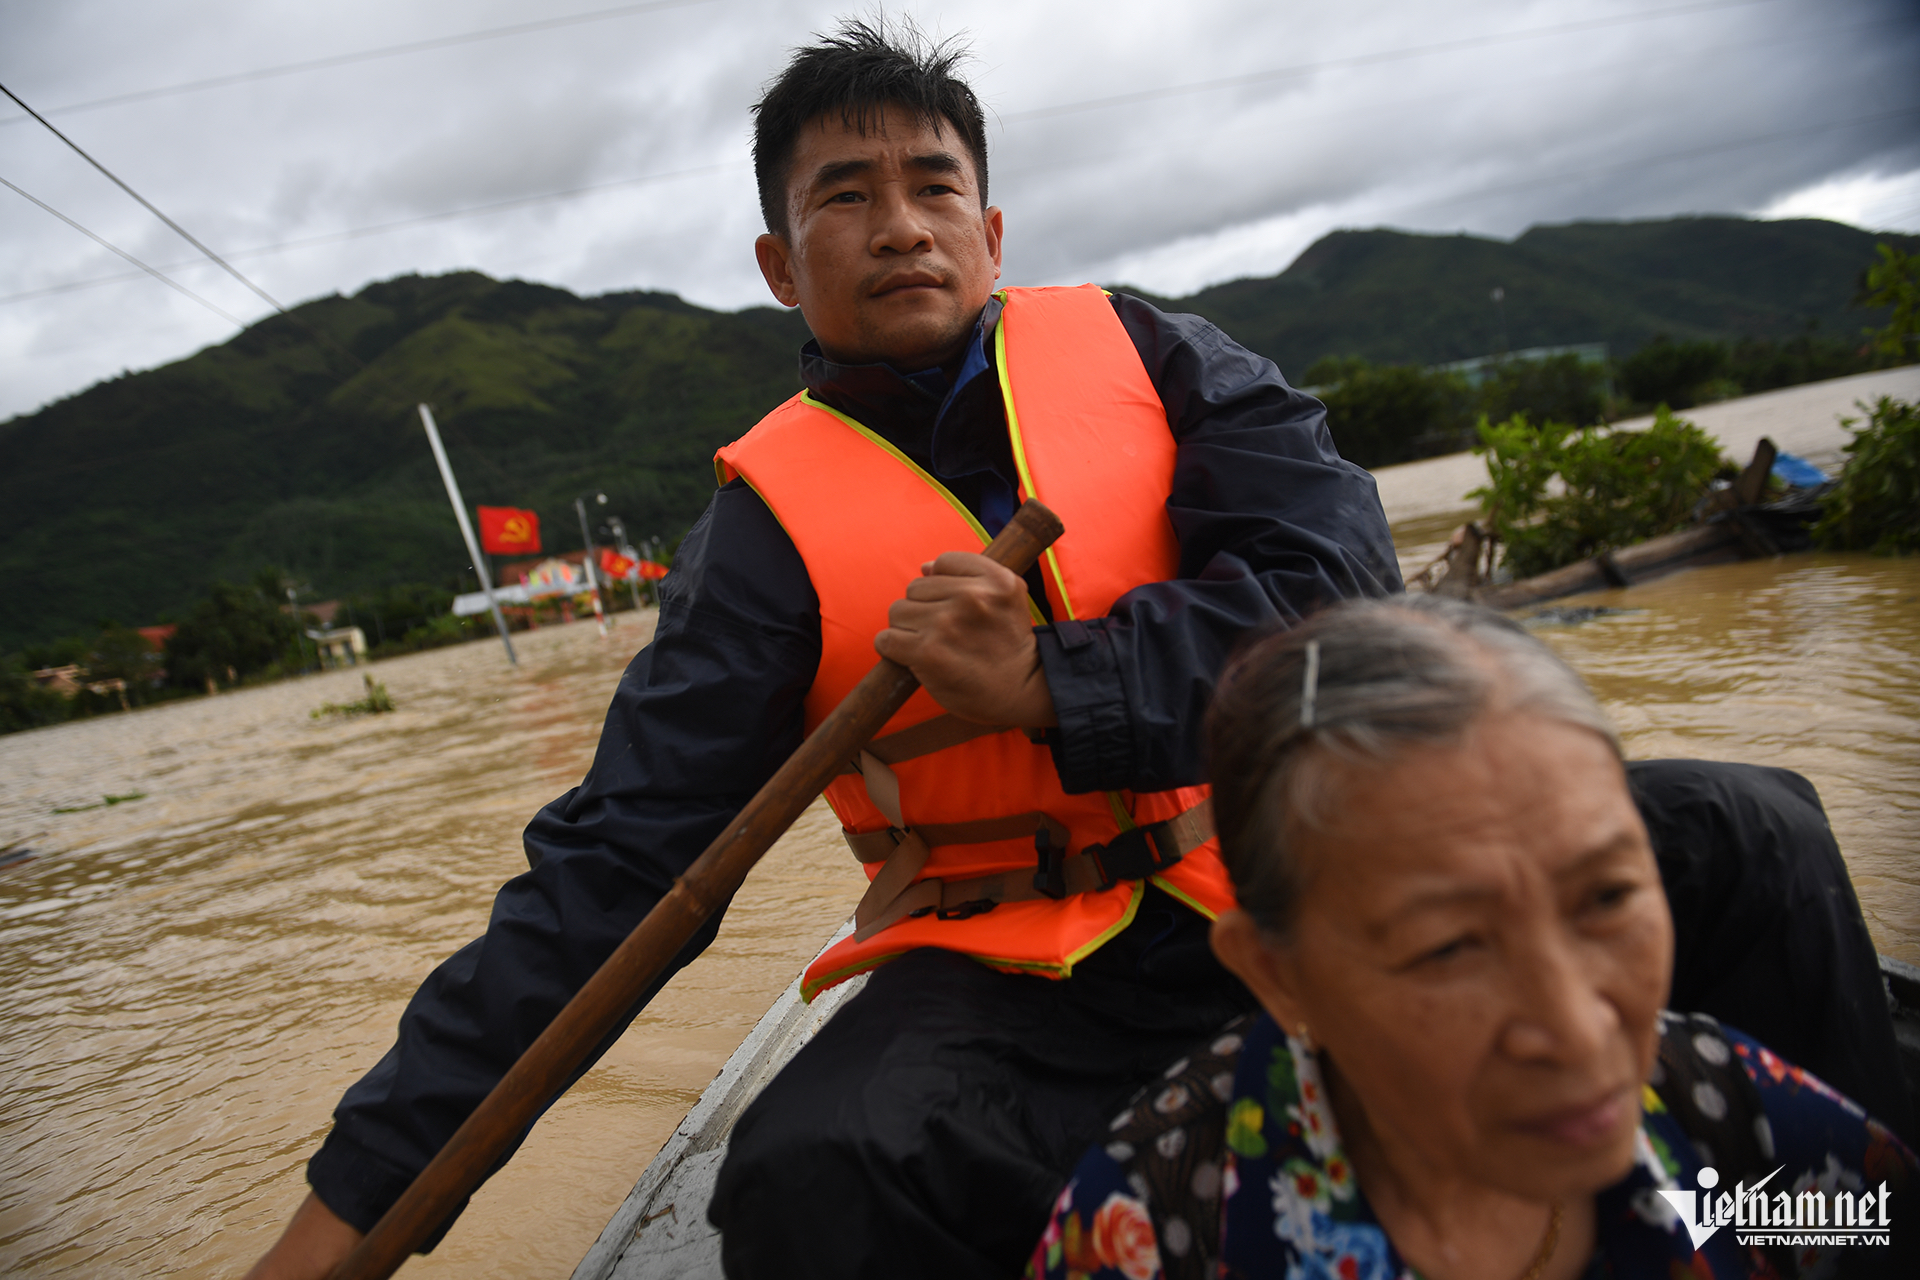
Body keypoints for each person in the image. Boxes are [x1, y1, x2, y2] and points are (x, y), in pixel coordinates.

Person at [244, 20, 1907, 1280]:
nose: (900, 225)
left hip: (1289, 883)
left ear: (991, 229)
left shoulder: (1161, 357)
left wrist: (1056, 683)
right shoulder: (758, 543)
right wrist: (349, 1211)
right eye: (844, 197)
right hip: (1014, 979)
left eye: (932, 187)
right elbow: (608, 874)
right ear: (778, 265)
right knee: (817, 1169)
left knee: (1750, 831)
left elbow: (1343, 587)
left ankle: (1815, 1235)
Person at [1030, 596, 1916, 1280]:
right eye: (1449, 948)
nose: (1579, 1032)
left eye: (1608, 896)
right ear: (1280, 977)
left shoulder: (1733, 1128)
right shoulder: (1157, 1228)